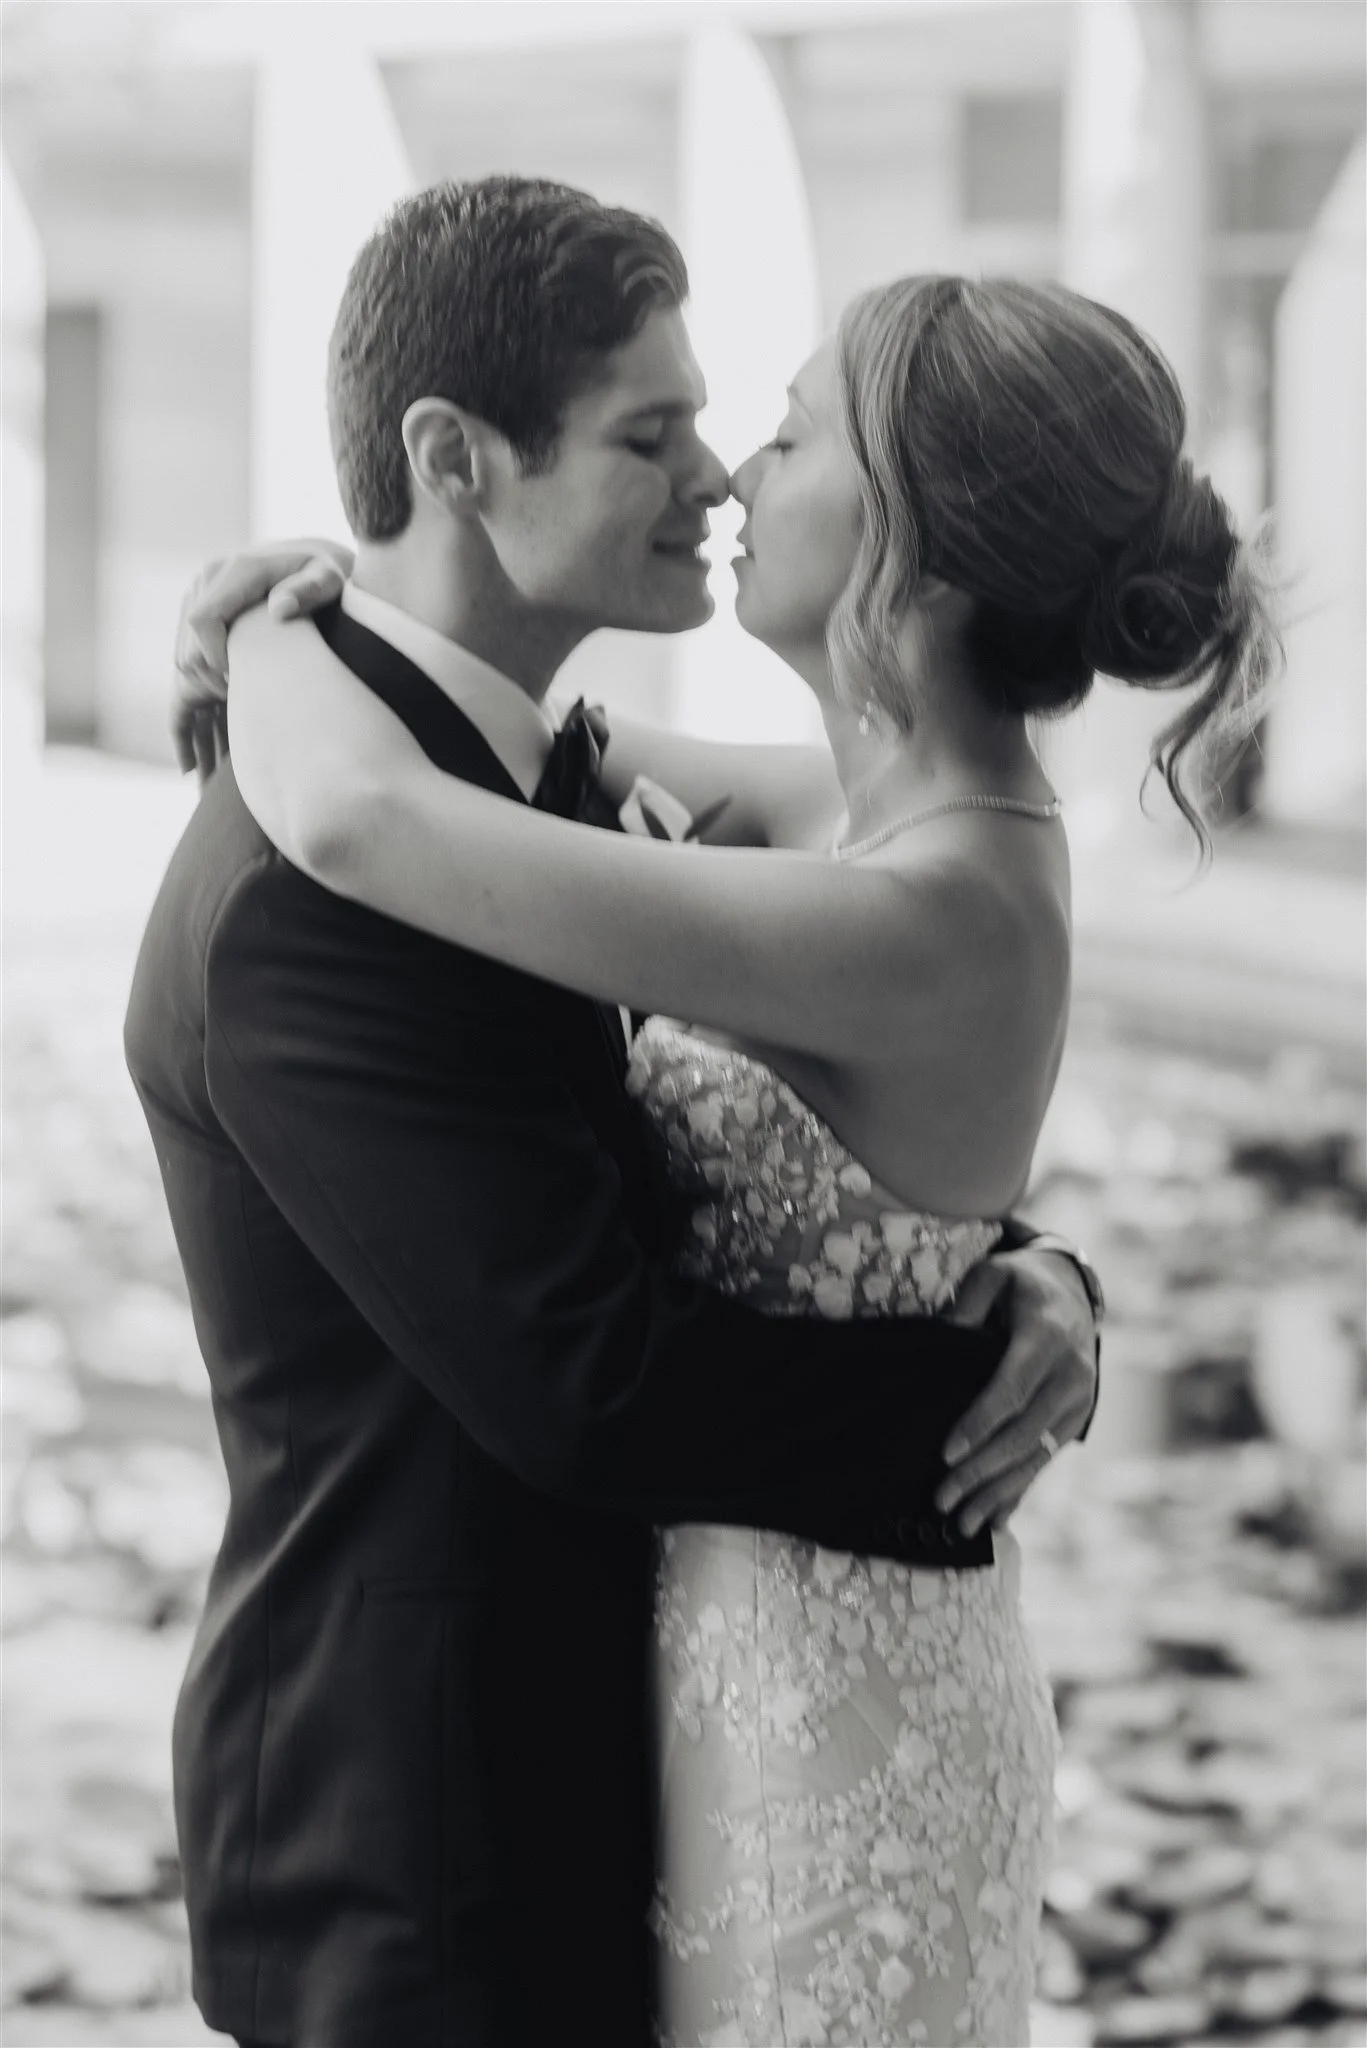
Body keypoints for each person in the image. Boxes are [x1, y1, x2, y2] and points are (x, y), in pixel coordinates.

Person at [140, 178, 1106, 2048]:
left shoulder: (500, 798)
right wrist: (968, 1370)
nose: (723, 476)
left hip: (704, 1748)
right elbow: (593, 1383)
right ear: (456, 459)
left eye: (754, 427)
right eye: (653, 434)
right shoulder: (324, 896)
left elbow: (879, 1085)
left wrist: (1018, 1275)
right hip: (422, 1852)